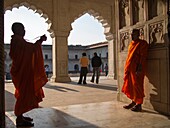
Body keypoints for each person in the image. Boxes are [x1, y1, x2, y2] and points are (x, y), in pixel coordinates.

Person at [9, 22, 48, 127]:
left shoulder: (18, 41)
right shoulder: (17, 41)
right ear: (17, 30)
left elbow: (29, 49)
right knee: (23, 94)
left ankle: (21, 116)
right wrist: (40, 41)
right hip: (21, 72)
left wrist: (38, 42)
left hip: (23, 72)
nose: (24, 31)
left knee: (24, 93)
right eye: (22, 29)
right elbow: (30, 49)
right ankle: (19, 119)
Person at [122, 29, 149, 112]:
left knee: (138, 86)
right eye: (131, 34)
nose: (132, 36)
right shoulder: (131, 44)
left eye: (134, 34)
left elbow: (143, 57)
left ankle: (139, 104)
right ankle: (134, 102)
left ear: (138, 34)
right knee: (131, 85)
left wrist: (139, 68)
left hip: (137, 68)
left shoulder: (142, 43)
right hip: (130, 68)